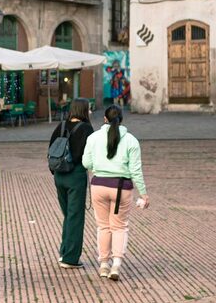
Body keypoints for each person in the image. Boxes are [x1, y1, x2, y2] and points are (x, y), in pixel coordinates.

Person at [82, 104, 149, 281]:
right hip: (121, 187)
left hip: (99, 185)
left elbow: (86, 163)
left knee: (103, 226)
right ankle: (116, 265)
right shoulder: (131, 140)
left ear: (104, 119)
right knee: (119, 227)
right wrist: (143, 193)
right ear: (121, 120)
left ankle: (103, 264)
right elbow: (136, 170)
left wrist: (100, 166)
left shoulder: (93, 137)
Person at [48, 98, 95, 269]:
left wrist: (54, 171)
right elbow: (90, 154)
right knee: (75, 217)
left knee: (68, 215)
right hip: (75, 175)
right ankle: (70, 258)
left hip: (59, 175)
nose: (90, 112)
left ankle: (64, 252)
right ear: (83, 110)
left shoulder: (60, 126)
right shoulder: (87, 129)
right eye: (88, 109)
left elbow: (51, 149)